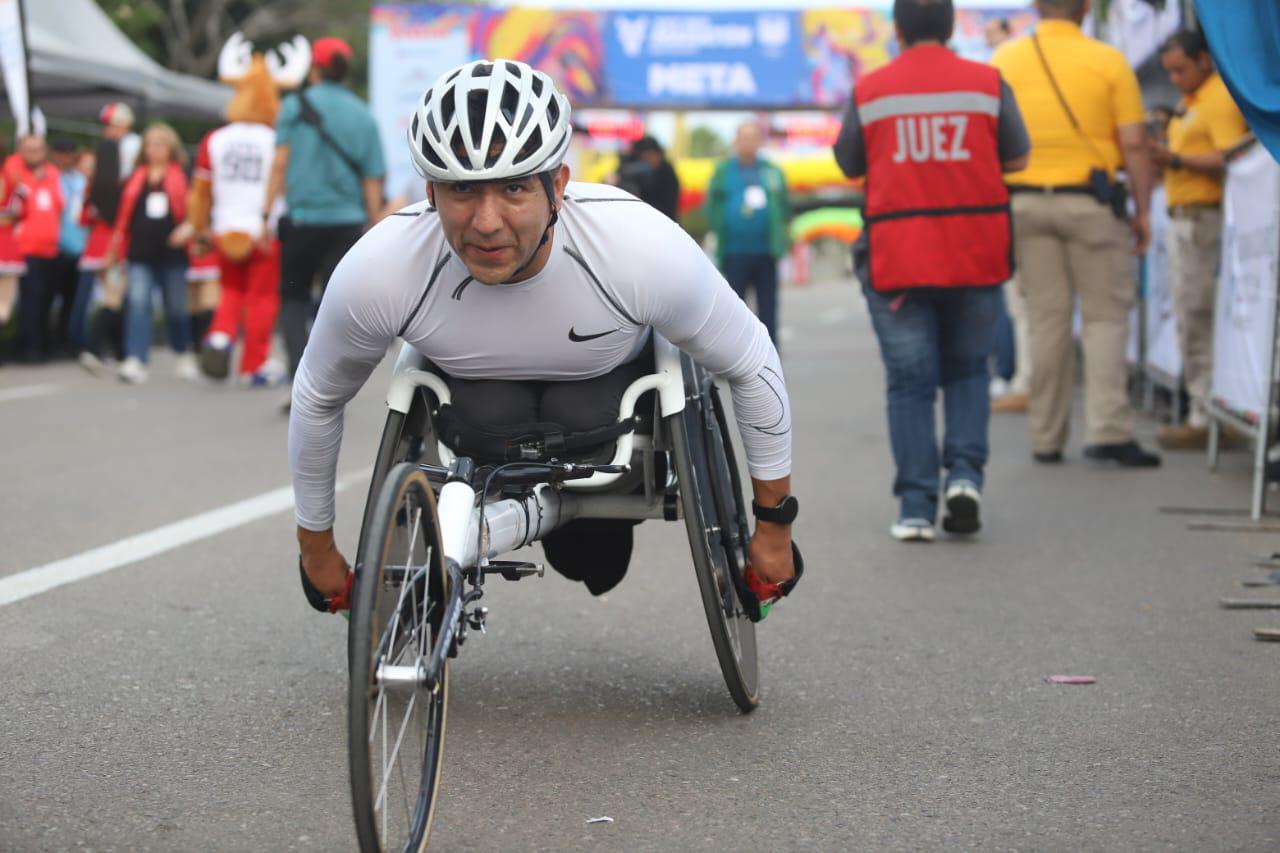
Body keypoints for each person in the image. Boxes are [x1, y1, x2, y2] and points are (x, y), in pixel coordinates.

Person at [289, 59, 799, 617]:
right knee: (499, 415)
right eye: (462, 189)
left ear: (558, 185)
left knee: (595, 558)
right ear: (431, 192)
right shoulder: (382, 269)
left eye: (513, 188)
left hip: (603, 418)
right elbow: (318, 397)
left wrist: (773, 528)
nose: (486, 222)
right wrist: (316, 547)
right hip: (481, 418)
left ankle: (582, 531)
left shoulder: (638, 247)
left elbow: (752, 365)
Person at [833, 0, 1030, 541]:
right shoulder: (987, 83)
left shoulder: (872, 90)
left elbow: (849, 163)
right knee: (969, 371)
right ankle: (965, 478)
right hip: (974, 252)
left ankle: (916, 506)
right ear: (950, 28)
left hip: (898, 258)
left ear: (896, 31)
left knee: (909, 384)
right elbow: (1018, 158)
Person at [992, 0, 1160, 468]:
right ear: (1086, 8)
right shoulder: (1108, 61)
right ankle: (1108, 430)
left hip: (1023, 204)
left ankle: (1047, 437)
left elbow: (993, 139)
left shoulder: (1005, 59)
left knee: (1046, 319)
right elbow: (1133, 142)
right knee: (1106, 315)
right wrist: (1143, 210)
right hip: (1091, 202)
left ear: (1035, 8)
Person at [264, 36, 385, 387]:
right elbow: (372, 177)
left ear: (314, 68)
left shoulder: (293, 105)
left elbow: (279, 164)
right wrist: (373, 222)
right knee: (336, 303)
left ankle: (297, 377)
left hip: (302, 222)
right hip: (346, 224)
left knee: (292, 296)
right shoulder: (363, 114)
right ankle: (328, 380)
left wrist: (263, 214)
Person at [1151, 30, 1250, 450]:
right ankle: (1202, 407)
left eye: (1181, 69)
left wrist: (1174, 158)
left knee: (1197, 314)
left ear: (1204, 60)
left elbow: (1232, 157)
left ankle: (1205, 413)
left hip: (1203, 219)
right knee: (1190, 315)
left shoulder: (1217, 100)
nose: (1174, 78)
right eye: (1169, 71)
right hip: (1184, 218)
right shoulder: (1191, 102)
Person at [106, 122, 196, 384]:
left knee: (177, 307)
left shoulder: (181, 175)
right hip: (139, 253)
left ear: (171, 147)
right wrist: (114, 250)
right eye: (150, 143)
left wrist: (187, 229)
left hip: (172, 253)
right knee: (138, 304)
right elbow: (123, 218)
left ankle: (183, 352)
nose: (154, 148)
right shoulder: (135, 177)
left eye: (160, 142)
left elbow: (195, 211)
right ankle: (136, 357)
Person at [704, 122, 791, 347]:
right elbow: (712, 205)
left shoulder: (771, 171)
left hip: (766, 251)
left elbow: (784, 206)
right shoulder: (724, 171)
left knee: (768, 307)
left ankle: (771, 356)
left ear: (759, 142)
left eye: (753, 138)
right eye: (744, 138)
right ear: (736, 141)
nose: (748, 143)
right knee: (735, 309)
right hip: (734, 252)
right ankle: (736, 355)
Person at [78, 103, 141, 373]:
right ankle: (96, 347)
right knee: (113, 295)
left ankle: (115, 348)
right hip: (116, 238)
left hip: (108, 236)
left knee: (114, 294)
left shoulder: (116, 151)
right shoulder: (116, 152)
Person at [7, 135, 65, 364]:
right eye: (29, 150)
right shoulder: (13, 169)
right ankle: (28, 347)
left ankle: (41, 344)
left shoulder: (51, 172)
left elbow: (58, 204)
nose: (34, 154)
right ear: (20, 150)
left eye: (38, 150)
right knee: (29, 299)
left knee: (44, 299)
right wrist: (33, 179)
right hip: (23, 248)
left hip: (49, 247)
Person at [48, 137, 88, 356]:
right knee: (50, 296)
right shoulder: (50, 178)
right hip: (57, 246)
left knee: (72, 299)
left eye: (69, 153)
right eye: (61, 153)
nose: (65, 157)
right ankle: (50, 340)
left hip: (79, 246)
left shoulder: (80, 180)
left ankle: (68, 341)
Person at [612, 135, 680, 221]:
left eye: (651, 155)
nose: (649, 160)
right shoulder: (632, 171)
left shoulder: (667, 172)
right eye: (644, 157)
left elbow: (669, 206)